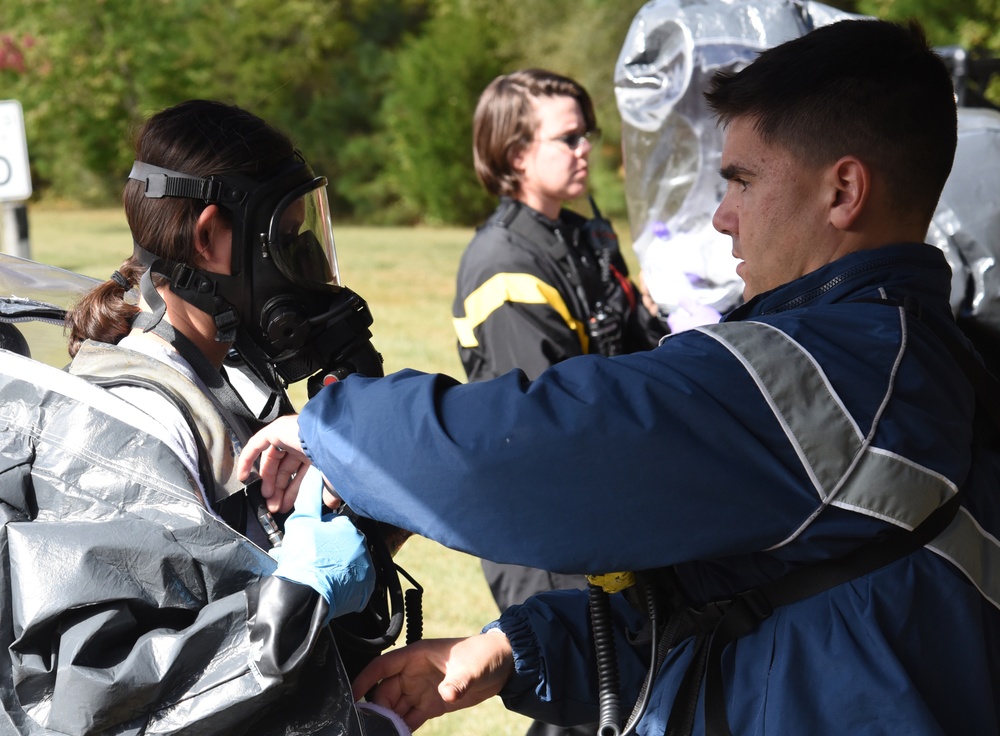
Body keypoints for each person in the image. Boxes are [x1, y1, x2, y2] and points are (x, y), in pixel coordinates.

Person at [240, 19, 1000, 736]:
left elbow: (525, 453)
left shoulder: (832, 373)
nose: (723, 218)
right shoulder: (917, 353)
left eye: (741, 180)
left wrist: (330, 426)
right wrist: (510, 653)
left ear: (842, 191)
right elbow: (761, 606)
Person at [0, 100, 398, 735]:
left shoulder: (228, 374)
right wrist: (302, 597)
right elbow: (96, 707)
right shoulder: (129, 425)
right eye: (286, 238)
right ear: (210, 238)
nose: (304, 263)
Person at [454, 70, 666, 736]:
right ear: (517, 154)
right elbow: (551, 421)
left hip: (595, 511)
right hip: (542, 531)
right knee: (577, 704)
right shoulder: (505, 264)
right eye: (568, 137)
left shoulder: (580, 238)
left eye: (588, 135)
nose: (584, 149)